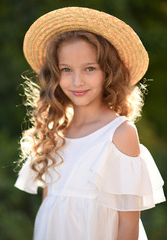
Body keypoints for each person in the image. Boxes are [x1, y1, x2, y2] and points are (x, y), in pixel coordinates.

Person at [14, 7, 165, 240]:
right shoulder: (56, 133)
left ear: (109, 72)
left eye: (90, 68)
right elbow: (50, 207)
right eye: (66, 69)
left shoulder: (120, 133)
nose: (77, 81)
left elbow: (128, 224)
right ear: (56, 74)